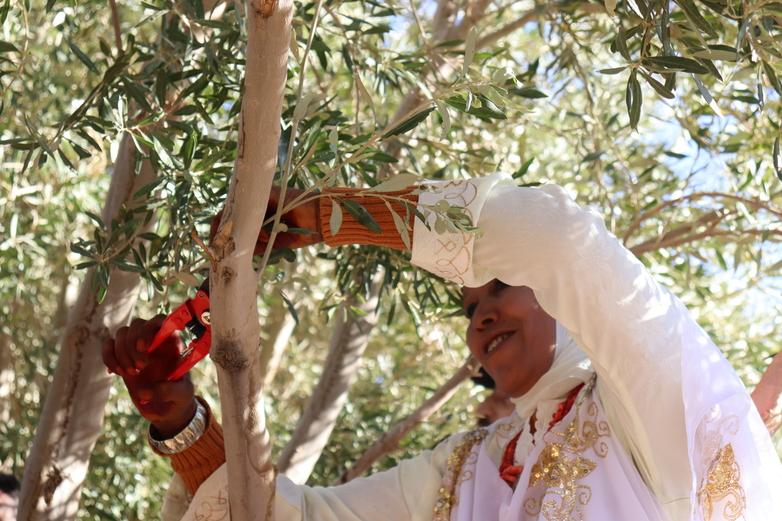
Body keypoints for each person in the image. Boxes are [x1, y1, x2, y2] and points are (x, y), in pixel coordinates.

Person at [104, 173, 782, 521]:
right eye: (470, 307)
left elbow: (557, 240)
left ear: (561, 301)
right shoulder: (469, 466)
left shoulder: (648, 410)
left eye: (500, 288)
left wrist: (339, 215)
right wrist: (180, 421)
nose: (484, 314)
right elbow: (302, 517)